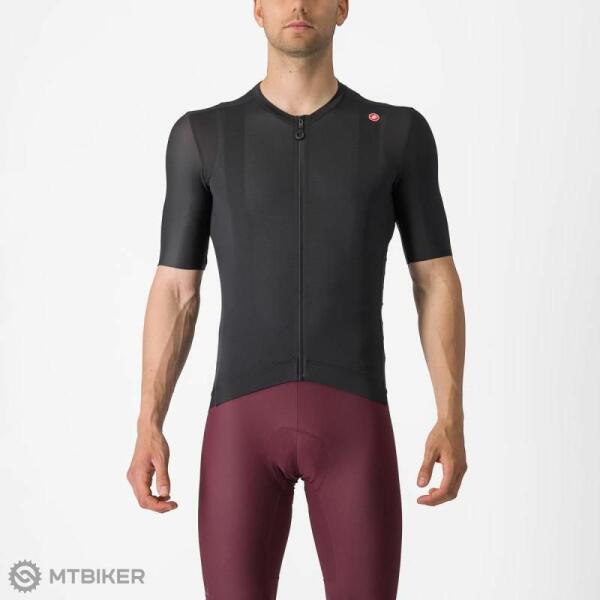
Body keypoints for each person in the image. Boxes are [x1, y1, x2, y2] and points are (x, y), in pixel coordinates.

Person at [127, 1, 467, 598]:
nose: (299, 4)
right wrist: (148, 421)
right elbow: (177, 287)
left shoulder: (396, 134)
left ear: (343, 8)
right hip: (241, 425)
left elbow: (434, 278)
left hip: (356, 421)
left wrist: (451, 414)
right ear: (257, 9)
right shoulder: (204, 136)